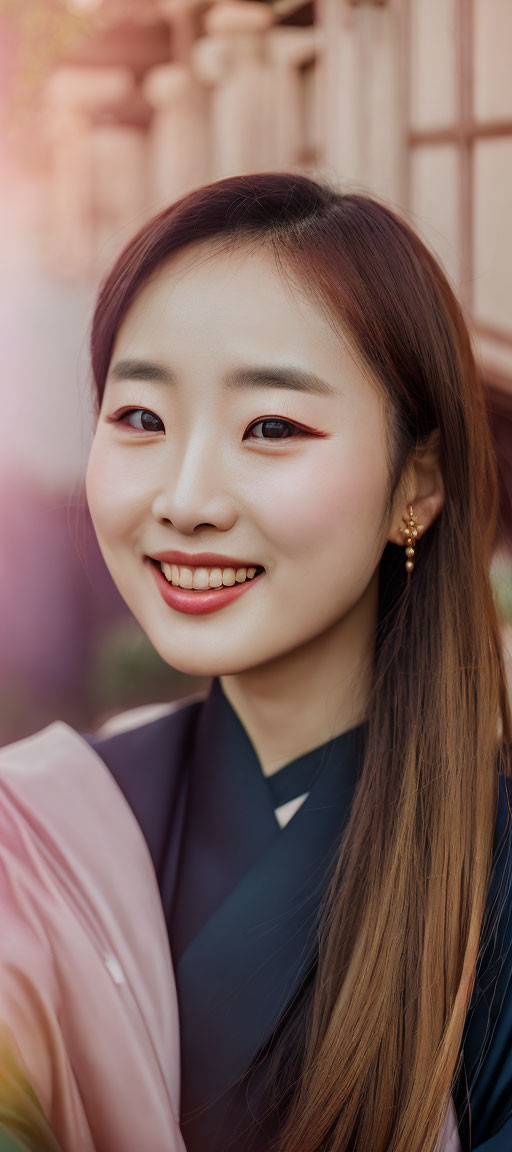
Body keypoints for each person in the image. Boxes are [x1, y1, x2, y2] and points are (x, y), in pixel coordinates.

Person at [0, 172, 510, 1152]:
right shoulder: (34, 838)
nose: (185, 498)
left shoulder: (496, 890)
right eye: (140, 419)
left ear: (419, 480)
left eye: (270, 428)